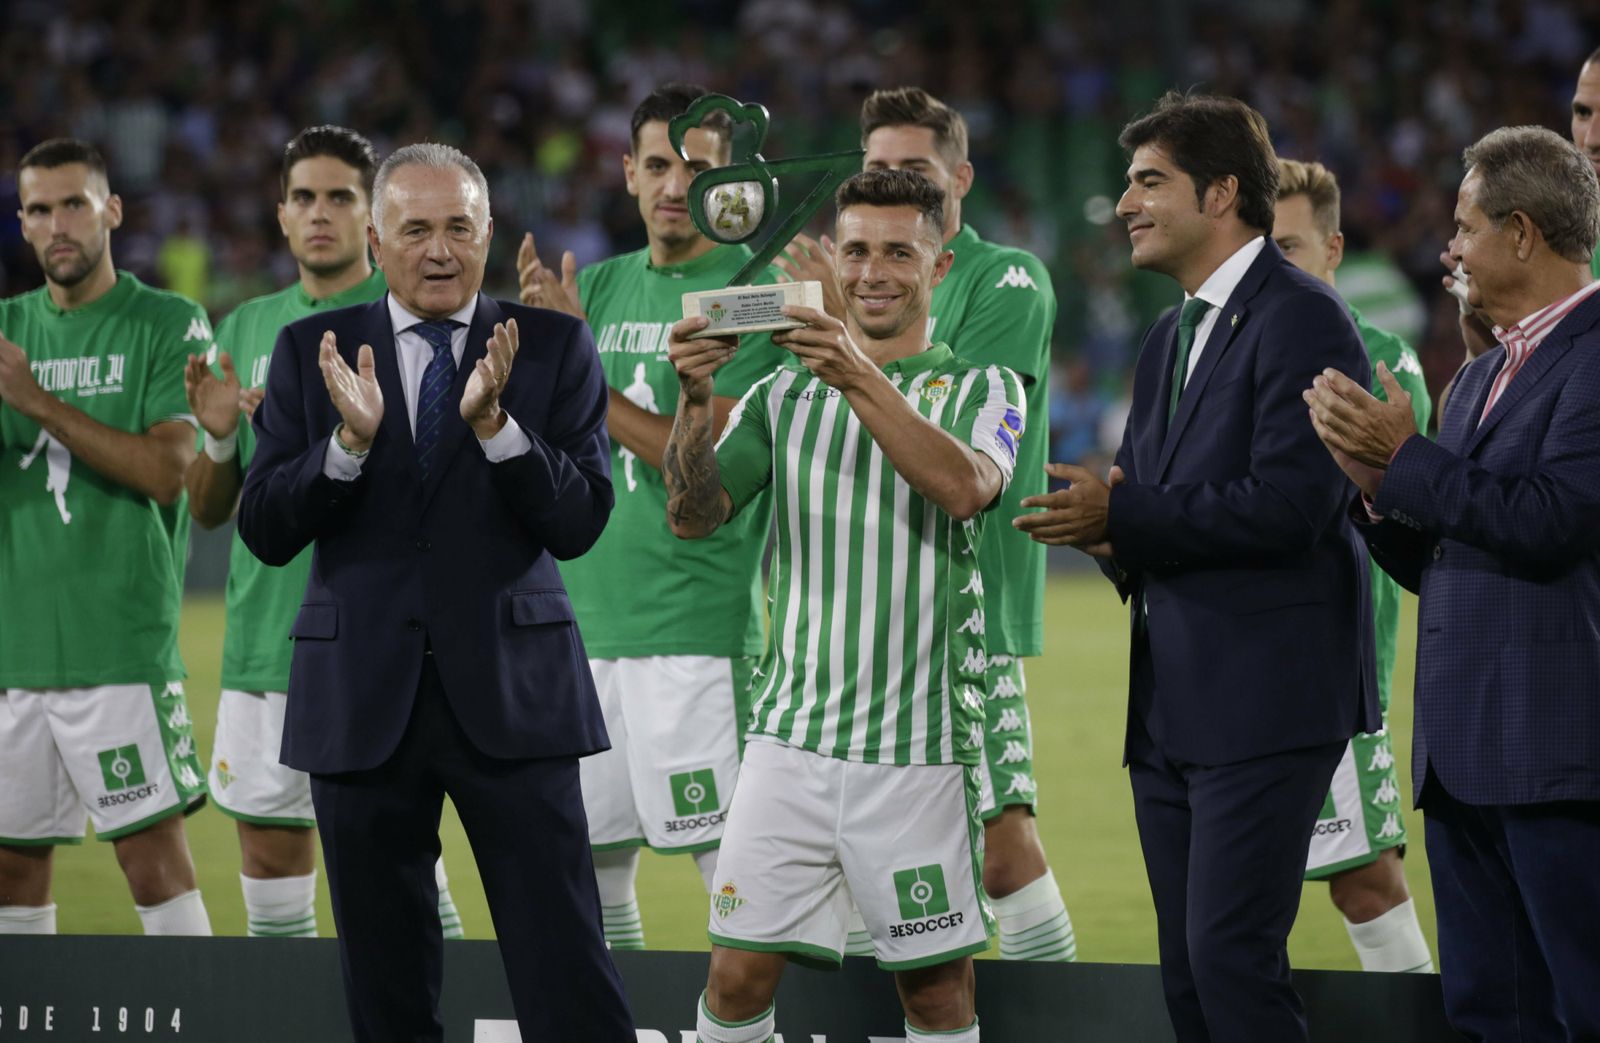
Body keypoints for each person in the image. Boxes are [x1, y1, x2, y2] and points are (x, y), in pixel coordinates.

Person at [237, 143, 633, 1041]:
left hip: (514, 698)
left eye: (460, 226)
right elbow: (264, 528)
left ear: (489, 231)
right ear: (376, 241)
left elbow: (579, 522)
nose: (440, 248)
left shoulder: (556, 347)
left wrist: (497, 428)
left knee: (566, 967)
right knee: (386, 987)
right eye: (415, 228)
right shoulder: (311, 350)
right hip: (362, 705)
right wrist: (342, 446)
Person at [1015, 93, 1376, 1042]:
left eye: (1147, 182)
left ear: (1221, 193)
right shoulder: (1170, 334)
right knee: (1189, 982)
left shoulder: (1305, 319)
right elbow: (1161, 516)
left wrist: (1123, 512)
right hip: (1172, 707)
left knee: (1232, 966)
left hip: (1266, 702)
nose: (1124, 203)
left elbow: (1296, 506)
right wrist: (1106, 536)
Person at [668, 168, 1022, 1043]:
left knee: (936, 997)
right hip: (789, 747)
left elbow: (965, 488)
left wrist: (859, 372)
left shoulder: (986, 390)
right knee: (736, 977)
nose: (873, 271)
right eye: (855, 249)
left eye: (900, 251)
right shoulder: (781, 395)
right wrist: (694, 400)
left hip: (919, 753)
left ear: (938, 269)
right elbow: (694, 514)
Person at [1306, 125, 1600, 1043]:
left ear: (1522, 233)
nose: (1451, 249)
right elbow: (1451, 560)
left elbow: (1551, 522)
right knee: (1492, 1017)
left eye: (1465, 227)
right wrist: (1374, 493)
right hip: (1466, 757)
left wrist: (1404, 458)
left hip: (1559, 760)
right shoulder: (1476, 379)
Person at [779, 85, 1074, 963]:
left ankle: (1057, 1024)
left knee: (1002, 841)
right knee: (865, 863)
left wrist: (839, 316)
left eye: (916, 169)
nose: (897, 181)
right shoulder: (852, 272)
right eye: (878, 169)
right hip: (846, 607)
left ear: (960, 178)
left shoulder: (1004, 276)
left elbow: (947, 418)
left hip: (961, 598)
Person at [516, 83, 786, 950]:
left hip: (696, 634)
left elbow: (698, 461)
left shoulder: (759, 294)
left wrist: (579, 355)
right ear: (628, 173)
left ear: (730, 186)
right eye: (659, 164)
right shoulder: (586, 287)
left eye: (698, 168)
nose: (676, 184)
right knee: (594, 871)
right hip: (581, 631)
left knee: (739, 879)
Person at [183, 125, 463, 939]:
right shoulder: (245, 327)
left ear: (372, 217)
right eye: (302, 196)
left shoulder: (417, 316)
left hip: (384, 643)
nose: (319, 213)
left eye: (339, 196)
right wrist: (222, 439)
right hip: (267, 643)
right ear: (279, 215)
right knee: (271, 870)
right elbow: (209, 510)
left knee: (408, 867)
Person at [0, 139, 213, 938]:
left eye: (75, 204)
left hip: (117, 652)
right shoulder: (6, 330)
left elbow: (168, 469)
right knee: (12, 873)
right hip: (13, 657)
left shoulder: (165, 322)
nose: (58, 224)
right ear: (21, 224)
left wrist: (37, 400)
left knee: (154, 866)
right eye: (39, 209)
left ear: (111, 211)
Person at [1271, 157, 1435, 974]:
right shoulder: (1220, 346)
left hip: (1338, 667)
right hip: (1236, 665)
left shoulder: (1381, 358)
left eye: (1291, 248)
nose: (1272, 266)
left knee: (1363, 882)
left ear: (1334, 250)